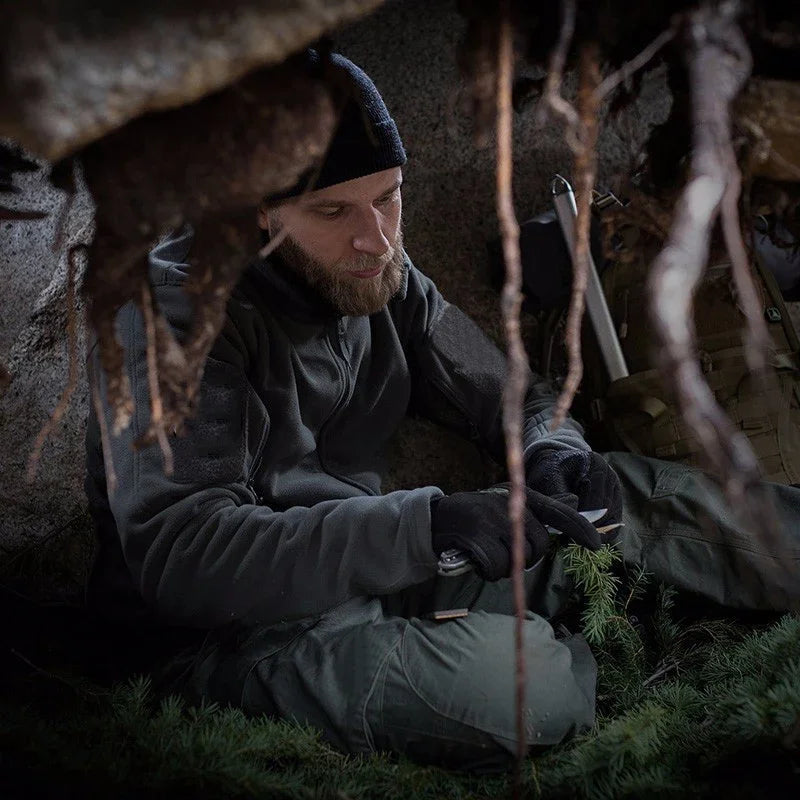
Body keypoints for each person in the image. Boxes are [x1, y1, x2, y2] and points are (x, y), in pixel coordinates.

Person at [84, 51, 800, 770]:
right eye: (332, 210)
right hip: (234, 637)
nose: (376, 238)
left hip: (391, 565)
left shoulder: (384, 274)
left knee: (628, 496)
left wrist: (557, 450)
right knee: (524, 688)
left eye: (388, 196)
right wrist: (423, 525)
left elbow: (513, 395)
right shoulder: (171, 319)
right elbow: (184, 554)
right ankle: (546, 642)